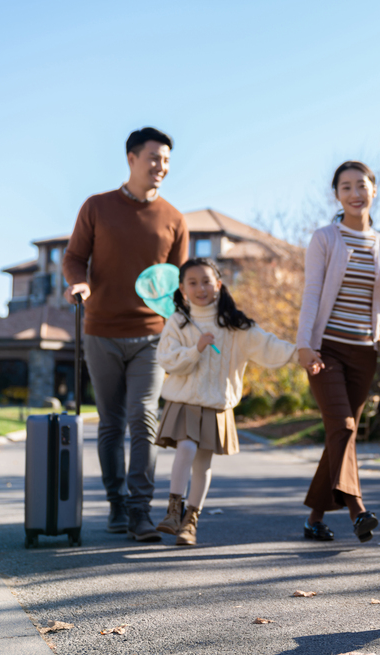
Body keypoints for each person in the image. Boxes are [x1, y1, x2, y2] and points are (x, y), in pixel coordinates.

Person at [63, 127, 189, 542]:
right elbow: (75, 256)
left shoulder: (174, 218)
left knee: (144, 417)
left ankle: (140, 512)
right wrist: (79, 283)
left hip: (152, 335)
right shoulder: (97, 207)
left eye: (167, 161)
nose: (162, 167)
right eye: (155, 158)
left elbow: (178, 282)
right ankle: (116, 504)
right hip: (101, 330)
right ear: (132, 158)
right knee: (111, 423)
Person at [296, 161, 380, 543]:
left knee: (341, 434)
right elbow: (311, 293)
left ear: (374, 190)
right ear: (337, 195)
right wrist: (303, 345)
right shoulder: (325, 238)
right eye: (346, 187)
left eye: (361, 185)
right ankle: (358, 511)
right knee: (343, 428)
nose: (355, 193)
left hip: (364, 354)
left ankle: (313, 519)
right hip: (327, 350)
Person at [154, 258, 297, 545]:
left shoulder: (234, 325)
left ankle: (190, 522)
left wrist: (299, 353)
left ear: (218, 284)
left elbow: (267, 345)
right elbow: (167, 360)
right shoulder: (178, 322)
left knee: (203, 464)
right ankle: (173, 510)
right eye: (192, 283)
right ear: (182, 289)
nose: (201, 288)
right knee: (185, 448)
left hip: (216, 404)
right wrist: (196, 349)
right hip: (184, 402)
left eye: (207, 281)